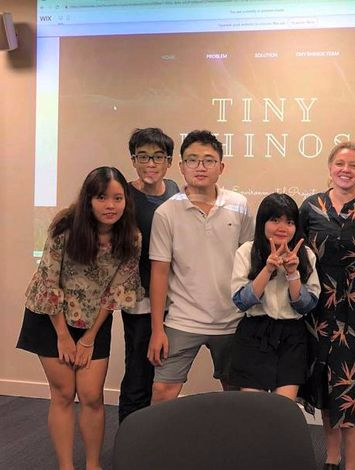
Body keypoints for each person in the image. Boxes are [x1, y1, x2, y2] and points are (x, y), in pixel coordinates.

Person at [16, 167, 142, 470]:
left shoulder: (131, 237)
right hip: (50, 317)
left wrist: (87, 339)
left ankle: (93, 464)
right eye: (101, 197)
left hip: (93, 320)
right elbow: (49, 282)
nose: (110, 205)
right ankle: (65, 466)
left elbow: (117, 291)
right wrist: (63, 336)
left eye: (117, 198)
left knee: (92, 396)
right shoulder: (65, 228)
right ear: (88, 199)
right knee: (62, 393)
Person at [298, 141, 355, 470]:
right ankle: (332, 457)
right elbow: (297, 255)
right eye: (340, 163)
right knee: (325, 385)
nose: (346, 170)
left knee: (352, 389)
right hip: (318, 312)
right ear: (329, 167)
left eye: (353, 165)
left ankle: (354, 463)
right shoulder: (310, 208)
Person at [147, 129, 254, 403]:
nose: (200, 167)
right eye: (192, 160)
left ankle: (235, 446)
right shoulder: (166, 213)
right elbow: (159, 274)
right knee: (162, 392)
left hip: (233, 319)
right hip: (183, 319)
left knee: (237, 394)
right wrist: (157, 329)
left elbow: (249, 262)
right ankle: (162, 447)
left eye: (208, 160)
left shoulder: (239, 205)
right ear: (181, 166)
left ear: (221, 166)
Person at [229, 193, 320, 399]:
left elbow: (306, 306)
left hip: (292, 336)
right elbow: (241, 301)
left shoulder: (306, 255)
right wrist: (268, 269)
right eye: (275, 220)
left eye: (289, 222)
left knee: (283, 407)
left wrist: (292, 273)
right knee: (254, 409)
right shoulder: (247, 251)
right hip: (255, 333)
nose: (282, 227)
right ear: (263, 222)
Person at [118, 128, 179, 423]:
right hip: (139, 298)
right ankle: (129, 444)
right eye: (143, 156)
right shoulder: (125, 197)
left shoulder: (175, 191)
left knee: (164, 374)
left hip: (174, 298)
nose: (150, 164)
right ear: (133, 159)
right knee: (139, 372)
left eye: (157, 157)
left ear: (168, 162)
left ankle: (156, 439)